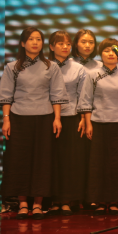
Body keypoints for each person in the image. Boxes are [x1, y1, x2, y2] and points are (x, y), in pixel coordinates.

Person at [0, 27, 68, 220]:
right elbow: (5, 95)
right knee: (19, 160)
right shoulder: (12, 67)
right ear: (22, 43)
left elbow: (57, 94)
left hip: (44, 118)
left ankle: (37, 204)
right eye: (31, 39)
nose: (35, 42)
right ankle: (22, 203)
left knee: (42, 161)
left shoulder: (51, 66)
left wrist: (57, 118)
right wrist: (6, 119)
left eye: (38, 39)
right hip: (19, 118)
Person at [79, 38, 118, 215]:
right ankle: (100, 201)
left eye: (115, 51)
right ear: (100, 54)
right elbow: (86, 100)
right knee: (98, 164)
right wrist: (88, 123)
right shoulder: (92, 75)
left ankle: (114, 201)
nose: (111, 54)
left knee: (117, 164)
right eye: (106, 50)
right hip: (98, 123)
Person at [47, 31, 88, 217]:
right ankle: (53, 200)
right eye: (60, 44)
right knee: (51, 160)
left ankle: (67, 200)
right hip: (47, 117)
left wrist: (83, 118)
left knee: (70, 160)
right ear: (51, 46)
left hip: (72, 117)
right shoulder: (45, 66)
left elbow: (83, 95)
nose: (65, 47)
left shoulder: (78, 68)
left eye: (68, 44)